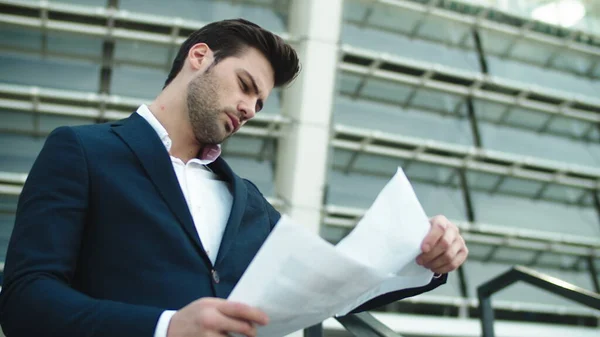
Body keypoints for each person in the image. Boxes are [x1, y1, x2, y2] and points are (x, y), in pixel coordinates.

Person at [0, 18, 468, 337]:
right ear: (199, 57)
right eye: (246, 86)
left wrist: (426, 257)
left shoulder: (247, 202)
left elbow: (331, 284)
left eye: (260, 104)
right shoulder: (83, 151)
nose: (250, 109)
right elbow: (25, 299)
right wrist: (165, 328)